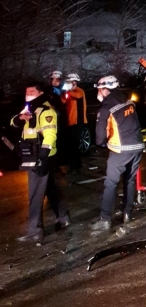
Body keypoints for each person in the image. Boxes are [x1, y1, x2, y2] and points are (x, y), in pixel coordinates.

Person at [12, 82, 70, 245]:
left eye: (31, 91)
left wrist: (43, 157)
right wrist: (19, 118)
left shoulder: (46, 111)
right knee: (49, 189)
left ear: (40, 93)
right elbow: (13, 123)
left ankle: (35, 231)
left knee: (35, 194)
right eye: (26, 91)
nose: (27, 94)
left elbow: (51, 135)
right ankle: (63, 217)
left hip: (41, 157)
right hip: (32, 155)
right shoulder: (29, 109)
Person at [91, 76, 144, 232]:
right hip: (137, 145)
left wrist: (100, 143)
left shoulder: (107, 106)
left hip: (121, 149)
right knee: (130, 180)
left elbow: (100, 133)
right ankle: (127, 213)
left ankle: (105, 218)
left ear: (106, 89)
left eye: (99, 89)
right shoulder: (127, 99)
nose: (98, 92)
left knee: (111, 183)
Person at [60, 73, 87, 174]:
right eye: (69, 82)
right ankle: (75, 165)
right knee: (71, 145)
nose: (70, 84)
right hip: (70, 121)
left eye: (72, 82)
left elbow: (77, 96)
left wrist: (69, 89)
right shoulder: (69, 92)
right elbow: (63, 101)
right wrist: (64, 92)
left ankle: (76, 167)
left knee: (74, 144)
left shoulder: (79, 91)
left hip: (78, 121)